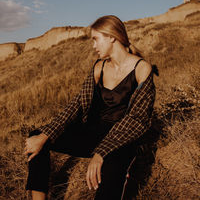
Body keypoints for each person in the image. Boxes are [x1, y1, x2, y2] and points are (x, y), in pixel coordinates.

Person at [25, 15, 156, 200]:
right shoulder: (98, 68)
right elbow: (77, 104)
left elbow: (137, 120)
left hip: (122, 140)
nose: (93, 45)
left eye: (96, 39)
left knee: (109, 177)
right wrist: (45, 135)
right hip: (93, 134)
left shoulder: (142, 69)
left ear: (111, 36)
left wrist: (101, 153)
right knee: (36, 137)